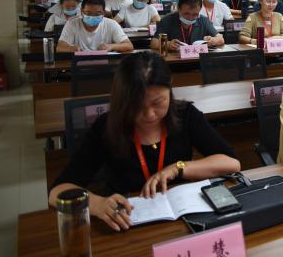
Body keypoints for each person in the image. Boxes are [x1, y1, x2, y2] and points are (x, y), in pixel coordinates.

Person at [48, 52, 241, 231]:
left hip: (183, 223)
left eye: (158, 102)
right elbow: (57, 191)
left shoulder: (185, 115)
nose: (149, 114)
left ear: (170, 87)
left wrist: (178, 168)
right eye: (136, 106)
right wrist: (97, 204)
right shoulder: (106, 127)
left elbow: (231, 163)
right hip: (127, 224)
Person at [57, 0, 133, 52]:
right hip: (79, 62)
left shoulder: (111, 24)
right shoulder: (72, 23)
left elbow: (129, 45)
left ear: (103, 13)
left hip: (105, 62)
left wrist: (111, 46)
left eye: (97, 13)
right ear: (82, 12)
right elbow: (60, 47)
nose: (92, 16)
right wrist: (73, 48)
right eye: (88, 13)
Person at [151, 0, 224, 51]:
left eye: (195, 14)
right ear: (179, 9)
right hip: (175, 60)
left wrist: (212, 41)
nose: (190, 18)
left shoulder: (203, 20)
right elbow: (154, 43)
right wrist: (168, 44)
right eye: (186, 14)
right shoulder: (167, 20)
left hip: (198, 60)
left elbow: (220, 39)